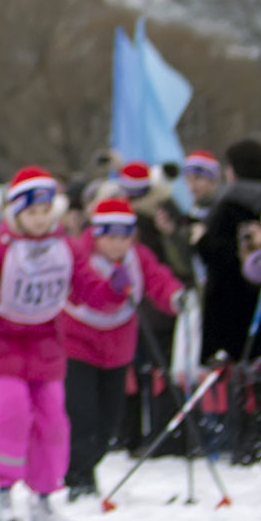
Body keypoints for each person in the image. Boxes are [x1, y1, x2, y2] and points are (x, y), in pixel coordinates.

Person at [0, 168, 122, 521]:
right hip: (2, 346)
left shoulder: (67, 247)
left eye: (46, 211)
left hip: (46, 346)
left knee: (53, 424)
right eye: (32, 212)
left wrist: (113, 291)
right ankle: (2, 492)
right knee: (13, 416)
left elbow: (88, 289)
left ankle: (44, 497)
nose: (40, 219)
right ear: (16, 213)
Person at [62, 195, 183, 499]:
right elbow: (77, 291)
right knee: (82, 414)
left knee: (108, 422)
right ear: (98, 234)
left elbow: (157, 279)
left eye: (124, 237)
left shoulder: (137, 257)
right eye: (111, 237)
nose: (118, 245)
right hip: (77, 345)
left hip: (117, 350)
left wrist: (174, 296)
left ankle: (88, 464)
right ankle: (79, 477)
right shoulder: (79, 254)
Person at [195, 140, 261, 363]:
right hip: (255, 301)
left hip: (227, 304)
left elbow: (217, 253)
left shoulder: (229, 204)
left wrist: (200, 240)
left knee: (232, 380)